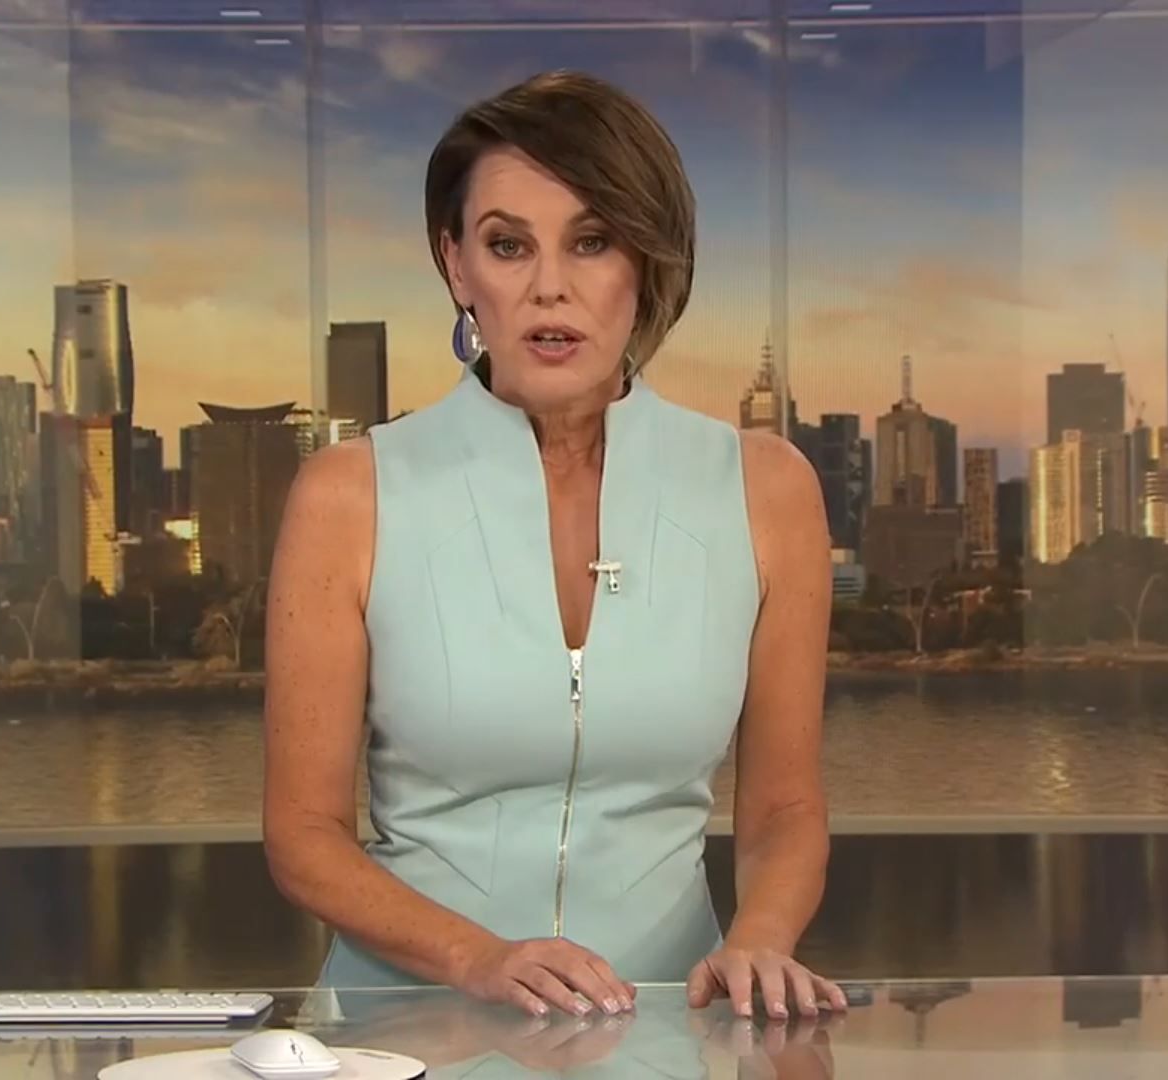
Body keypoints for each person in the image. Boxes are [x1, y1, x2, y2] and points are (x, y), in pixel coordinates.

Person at [263, 69, 842, 1023]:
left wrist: (760, 942)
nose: (549, 288)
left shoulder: (765, 490)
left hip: (664, 1025)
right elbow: (303, 834)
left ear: (645, 262)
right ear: (457, 267)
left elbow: (785, 811)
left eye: (592, 241)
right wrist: (479, 958)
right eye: (508, 245)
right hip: (408, 1034)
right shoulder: (349, 496)